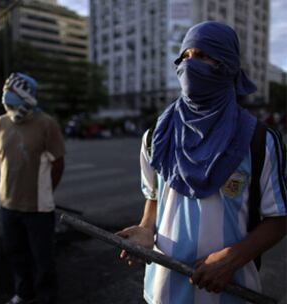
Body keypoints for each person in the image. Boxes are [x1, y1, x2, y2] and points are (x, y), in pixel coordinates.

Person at [117, 21, 287, 304]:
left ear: (228, 65)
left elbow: (279, 218)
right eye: (186, 56)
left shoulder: (260, 141)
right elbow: (155, 197)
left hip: (231, 293)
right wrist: (146, 230)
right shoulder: (155, 137)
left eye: (204, 56)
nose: (190, 65)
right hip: (163, 293)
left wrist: (234, 258)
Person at [0, 73, 65, 304]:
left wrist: (44, 191)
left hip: (38, 208)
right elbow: (0, 158)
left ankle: (46, 297)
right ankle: (24, 293)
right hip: (8, 204)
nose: (8, 101)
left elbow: (58, 163)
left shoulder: (46, 124)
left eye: (13, 95)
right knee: (16, 254)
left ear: (27, 97)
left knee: (43, 259)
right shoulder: (0, 122)